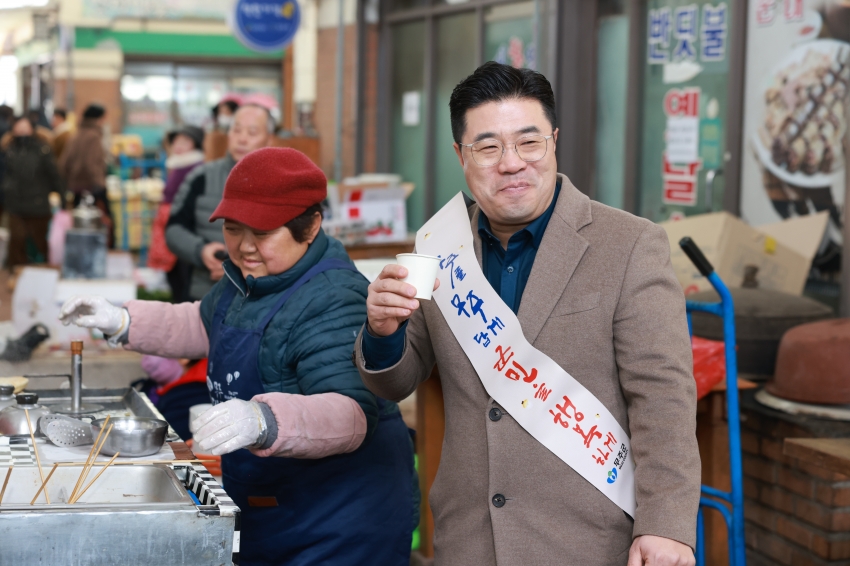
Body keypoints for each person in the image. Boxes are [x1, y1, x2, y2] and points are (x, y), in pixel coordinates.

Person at [356, 61, 700, 566]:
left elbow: (663, 395)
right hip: (468, 538)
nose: (511, 163)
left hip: (588, 541)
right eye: (489, 147)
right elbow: (398, 382)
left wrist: (667, 527)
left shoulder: (628, 244)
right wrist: (382, 331)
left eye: (529, 142)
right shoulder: (440, 248)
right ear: (461, 155)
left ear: (554, 142)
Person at [60, 147, 418, 565]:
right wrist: (121, 320)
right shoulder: (248, 278)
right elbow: (201, 324)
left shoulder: (335, 297)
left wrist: (264, 420)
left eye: (262, 233)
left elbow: (351, 415)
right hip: (276, 507)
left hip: (340, 522)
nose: (245, 246)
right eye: (233, 229)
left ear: (310, 226)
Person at [167, 104, 273, 301]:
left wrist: (241, 269)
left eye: (252, 132)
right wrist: (201, 251)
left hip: (262, 300)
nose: (242, 138)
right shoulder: (201, 177)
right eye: (236, 129)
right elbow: (174, 229)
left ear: (269, 139)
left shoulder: (280, 184)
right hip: (204, 296)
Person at [148, 125, 205, 302]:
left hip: (184, 226)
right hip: (170, 223)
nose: (179, 145)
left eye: (185, 141)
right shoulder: (177, 164)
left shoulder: (196, 167)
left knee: (181, 274)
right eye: (176, 141)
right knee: (173, 274)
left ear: (195, 145)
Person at [1, 115, 63, 270]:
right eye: (18, 126)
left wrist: (62, 196)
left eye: (25, 126)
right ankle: (16, 277)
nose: (21, 130)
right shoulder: (7, 149)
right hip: (15, 205)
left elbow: (54, 175)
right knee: (16, 242)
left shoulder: (42, 149)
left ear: (32, 129)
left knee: (41, 243)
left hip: (38, 205)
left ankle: (46, 274)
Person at [59, 103, 114, 244]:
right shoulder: (94, 136)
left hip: (76, 188)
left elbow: (64, 163)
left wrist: (68, 182)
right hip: (92, 188)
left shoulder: (76, 134)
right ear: (98, 118)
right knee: (99, 225)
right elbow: (92, 164)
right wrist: (100, 184)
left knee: (79, 226)